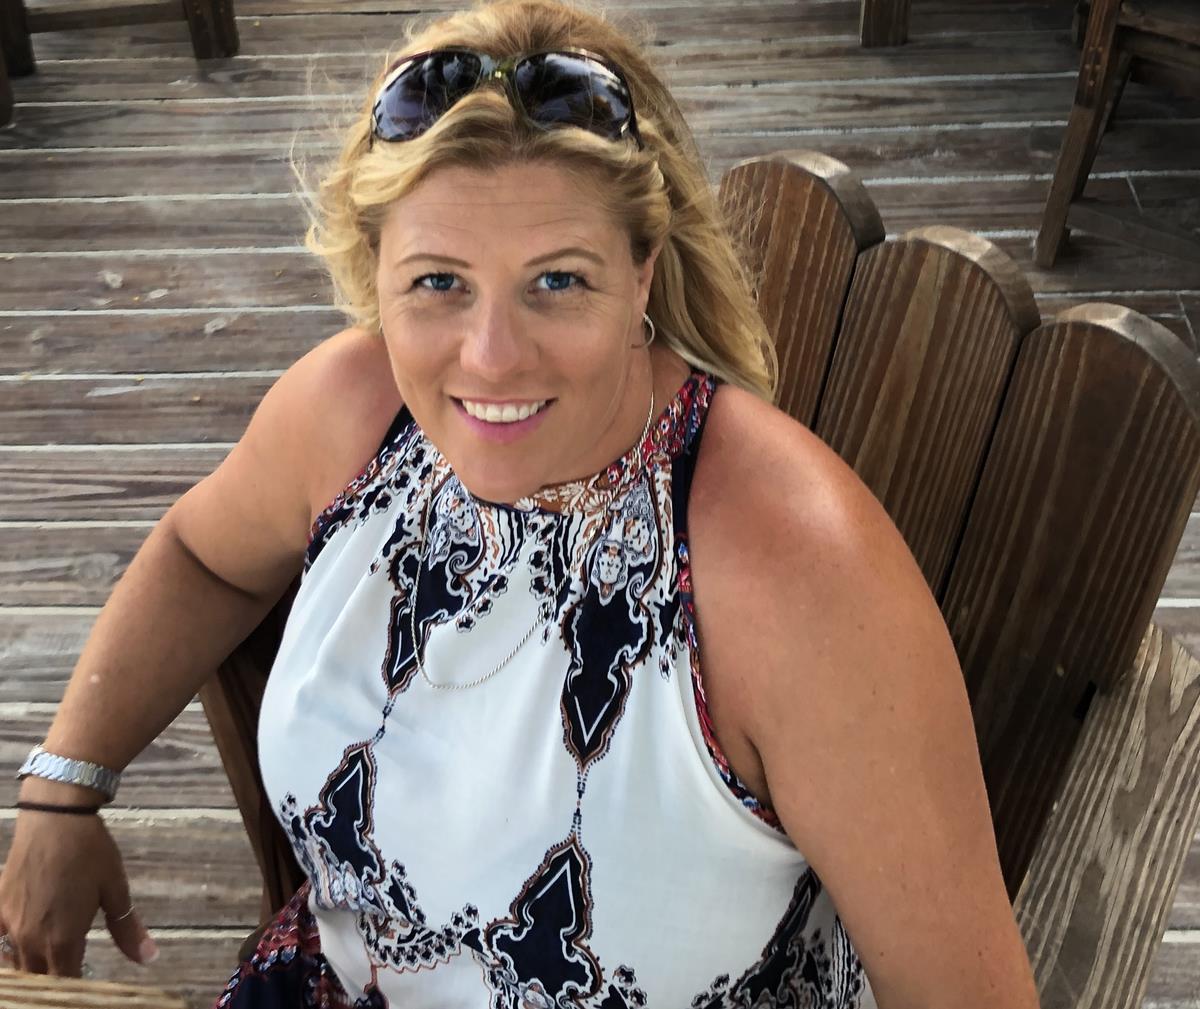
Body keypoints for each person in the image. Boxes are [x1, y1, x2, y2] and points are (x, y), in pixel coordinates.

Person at [0, 1, 1043, 1006]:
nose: (492, 357)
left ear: (642, 272)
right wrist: (64, 785)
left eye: (557, 281)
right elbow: (203, 557)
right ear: (376, 271)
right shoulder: (350, 413)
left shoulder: (794, 573)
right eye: (438, 282)